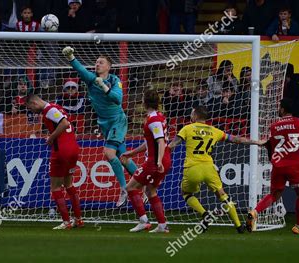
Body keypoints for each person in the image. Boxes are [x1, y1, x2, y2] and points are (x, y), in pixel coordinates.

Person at [62, 46, 139, 207]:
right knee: (123, 158)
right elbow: (81, 70)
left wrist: (104, 86)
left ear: (108, 67)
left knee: (109, 153)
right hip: (104, 124)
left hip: (117, 120)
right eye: (96, 62)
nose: (97, 64)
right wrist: (71, 57)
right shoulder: (91, 80)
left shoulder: (114, 81)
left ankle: (125, 188)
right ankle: (144, 183)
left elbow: (118, 99)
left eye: (101, 62)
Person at [168, 106, 263, 233]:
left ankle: (204, 214)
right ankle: (239, 226)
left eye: (192, 114)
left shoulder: (187, 128)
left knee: (186, 193)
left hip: (192, 168)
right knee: (223, 195)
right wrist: (256, 142)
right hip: (209, 168)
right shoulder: (214, 131)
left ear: (195, 116)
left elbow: (172, 144)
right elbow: (236, 140)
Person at [246, 98, 299, 235]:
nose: (278, 109)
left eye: (279, 107)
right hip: (295, 166)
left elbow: (269, 146)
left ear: (283, 109)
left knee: (274, 195)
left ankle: (255, 211)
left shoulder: (273, 126)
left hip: (279, 166)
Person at [26, 94, 83, 230]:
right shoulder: (57, 107)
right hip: (73, 148)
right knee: (69, 184)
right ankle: (78, 219)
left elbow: (64, 123)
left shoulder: (49, 110)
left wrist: (51, 138)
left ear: (34, 103)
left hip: (61, 150)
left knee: (55, 187)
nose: (33, 112)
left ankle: (66, 222)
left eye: (30, 108)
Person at [120, 89, 172, 233]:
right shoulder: (159, 117)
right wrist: (132, 152)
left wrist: (159, 161)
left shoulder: (153, 120)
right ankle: (162, 225)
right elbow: (151, 143)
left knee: (130, 187)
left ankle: (143, 221)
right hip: (163, 159)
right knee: (151, 191)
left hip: (155, 161)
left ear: (144, 102)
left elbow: (161, 142)